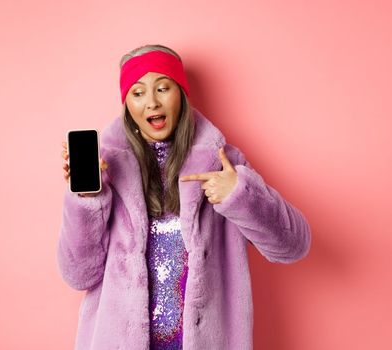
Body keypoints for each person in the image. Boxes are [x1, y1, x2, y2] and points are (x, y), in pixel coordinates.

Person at [57, 44, 311, 349]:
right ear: (127, 106)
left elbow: (293, 246)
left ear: (181, 94)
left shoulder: (223, 163)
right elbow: (78, 275)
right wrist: (87, 200)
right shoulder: (106, 172)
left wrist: (240, 195)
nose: (151, 102)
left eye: (163, 88)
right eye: (138, 93)